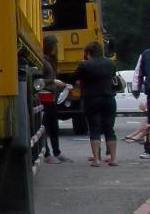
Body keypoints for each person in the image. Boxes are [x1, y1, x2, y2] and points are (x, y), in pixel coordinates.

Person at [71, 41, 118, 166]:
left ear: (87, 53)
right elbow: (112, 77)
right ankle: (113, 159)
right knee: (109, 128)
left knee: (94, 128)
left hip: (91, 99)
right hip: (109, 98)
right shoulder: (110, 63)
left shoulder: (84, 65)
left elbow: (73, 78)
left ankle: (96, 159)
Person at [41, 35, 72, 163]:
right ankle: (47, 153)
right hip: (44, 96)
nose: (56, 48)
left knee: (53, 126)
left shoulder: (50, 61)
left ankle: (56, 151)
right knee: (45, 126)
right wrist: (53, 81)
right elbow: (38, 81)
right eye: (54, 45)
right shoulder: (42, 61)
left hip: (51, 97)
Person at [130, 48, 150, 159]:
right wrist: (136, 88)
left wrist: (136, 88)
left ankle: (148, 150)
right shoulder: (145, 54)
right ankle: (148, 149)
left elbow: (138, 72)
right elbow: (138, 72)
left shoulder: (145, 53)